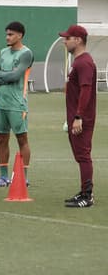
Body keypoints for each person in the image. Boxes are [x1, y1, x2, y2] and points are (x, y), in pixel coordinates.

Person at [0, 21, 34, 188]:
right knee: (1, 139)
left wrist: (3, 75)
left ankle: (24, 177)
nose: (7, 37)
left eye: (11, 34)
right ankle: (3, 177)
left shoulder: (26, 53)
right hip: (0, 103)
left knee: (22, 139)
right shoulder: (2, 53)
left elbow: (16, 76)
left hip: (17, 104)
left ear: (20, 35)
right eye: (6, 34)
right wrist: (5, 75)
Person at [59, 25, 97, 208]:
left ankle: (87, 196)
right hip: (75, 116)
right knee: (80, 155)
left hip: (82, 118)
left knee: (83, 155)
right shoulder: (78, 61)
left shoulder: (84, 62)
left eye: (67, 38)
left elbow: (86, 90)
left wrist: (79, 116)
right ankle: (84, 191)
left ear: (78, 40)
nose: (64, 41)